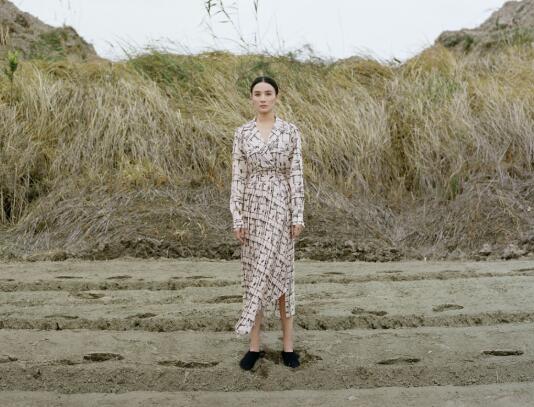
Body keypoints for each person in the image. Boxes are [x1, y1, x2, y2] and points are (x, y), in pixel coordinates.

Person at [230, 75, 305, 371]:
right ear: (251, 98)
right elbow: (238, 176)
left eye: (268, 93)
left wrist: (297, 215)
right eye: (258, 93)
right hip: (253, 206)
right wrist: (237, 216)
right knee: (254, 275)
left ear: (276, 96)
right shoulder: (242, 133)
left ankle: (288, 346)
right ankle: (254, 345)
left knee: (283, 275)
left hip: (281, 205)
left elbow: (296, 174)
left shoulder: (290, 131)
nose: (263, 98)